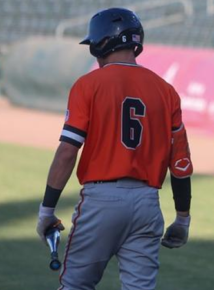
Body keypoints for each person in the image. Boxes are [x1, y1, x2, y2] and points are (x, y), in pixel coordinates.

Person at [35, 7, 193, 290]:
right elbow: (180, 164)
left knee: (75, 286)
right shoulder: (166, 90)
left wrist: (47, 209)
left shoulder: (88, 84)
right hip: (147, 203)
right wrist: (182, 218)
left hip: (101, 200)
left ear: (101, 43)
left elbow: (68, 151)